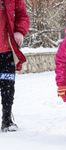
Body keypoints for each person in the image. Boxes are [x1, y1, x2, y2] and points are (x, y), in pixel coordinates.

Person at [0, 0, 29, 132]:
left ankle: (7, 119)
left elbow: (22, 15)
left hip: (7, 51)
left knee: (7, 85)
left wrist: (20, 31)